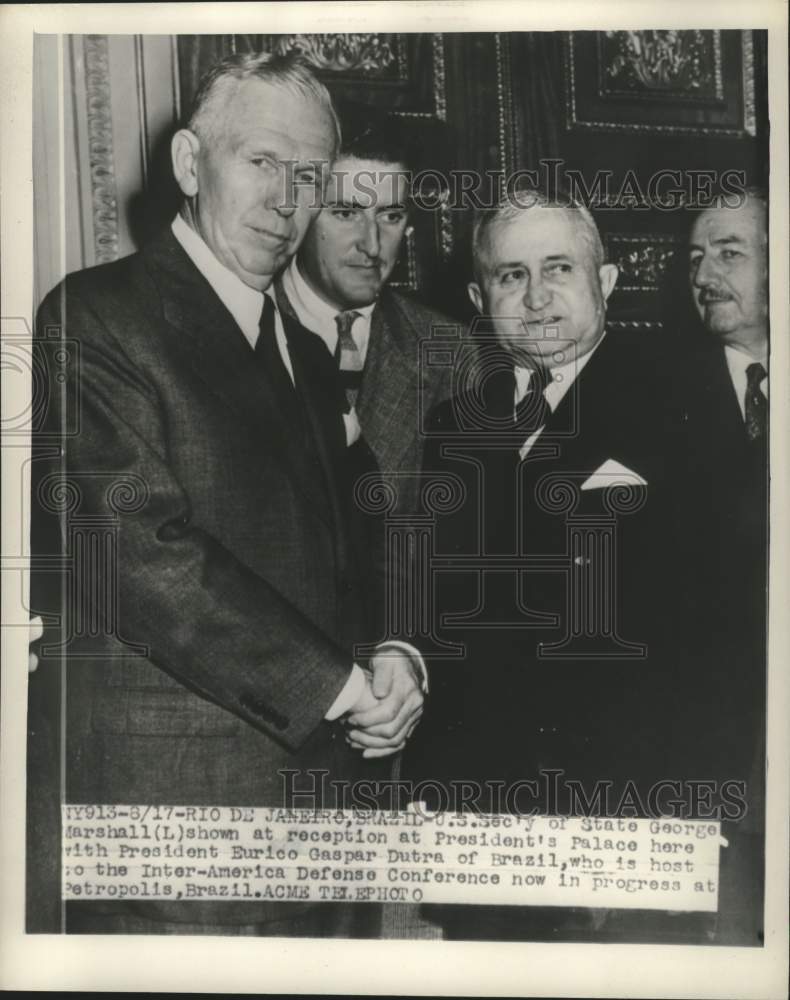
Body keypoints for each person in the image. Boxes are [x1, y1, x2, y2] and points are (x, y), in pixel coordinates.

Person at [30, 52, 425, 937]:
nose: (287, 200)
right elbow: (139, 558)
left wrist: (399, 648)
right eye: (261, 161)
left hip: (328, 829)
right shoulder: (95, 319)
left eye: (309, 175)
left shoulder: (304, 351)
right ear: (188, 164)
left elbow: (372, 528)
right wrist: (340, 686)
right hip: (182, 835)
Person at [407, 188, 709, 941]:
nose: (536, 297)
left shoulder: (689, 405)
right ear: (479, 300)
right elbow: (438, 616)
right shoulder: (451, 429)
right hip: (485, 822)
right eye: (511, 276)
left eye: (559, 268)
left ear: (605, 282)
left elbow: (721, 627)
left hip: (628, 812)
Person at [276, 111, 460, 520]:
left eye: (390, 216)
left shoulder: (453, 353)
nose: (373, 246)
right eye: (346, 213)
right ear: (302, 213)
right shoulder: (233, 326)